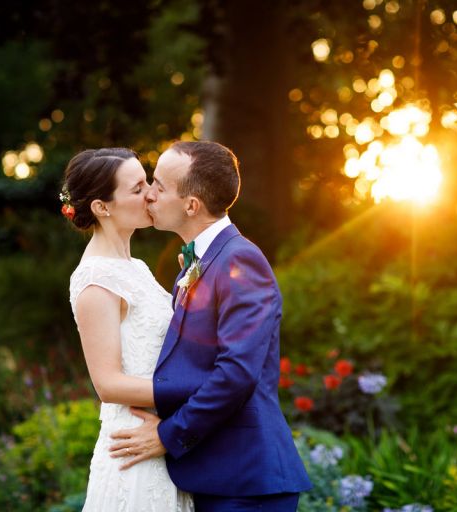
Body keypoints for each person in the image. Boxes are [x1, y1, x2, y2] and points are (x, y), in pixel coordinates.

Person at [107, 141, 312, 511]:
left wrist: (168, 435)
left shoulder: (241, 260)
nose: (149, 195)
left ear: (191, 205)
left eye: (159, 186)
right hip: (215, 474)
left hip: (246, 482)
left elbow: (236, 373)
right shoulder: (197, 263)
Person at [64, 148, 193, 511]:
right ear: (103, 208)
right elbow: (107, 384)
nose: (151, 194)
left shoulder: (134, 266)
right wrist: (195, 393)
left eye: (149, 182)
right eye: (137, 189)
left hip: (161, 440)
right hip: (133, 446)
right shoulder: (95, 279)